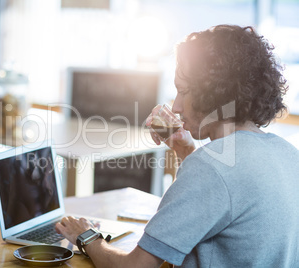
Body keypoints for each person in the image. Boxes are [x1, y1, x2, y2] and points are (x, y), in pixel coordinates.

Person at [55, 25, 299, 267]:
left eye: (183, 91)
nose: (177, 106)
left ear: (213, 93)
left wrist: (86, 237)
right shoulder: (288, 155)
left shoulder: (210, 167)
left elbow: (135, 266)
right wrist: (186, 152)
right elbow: (224, 199)